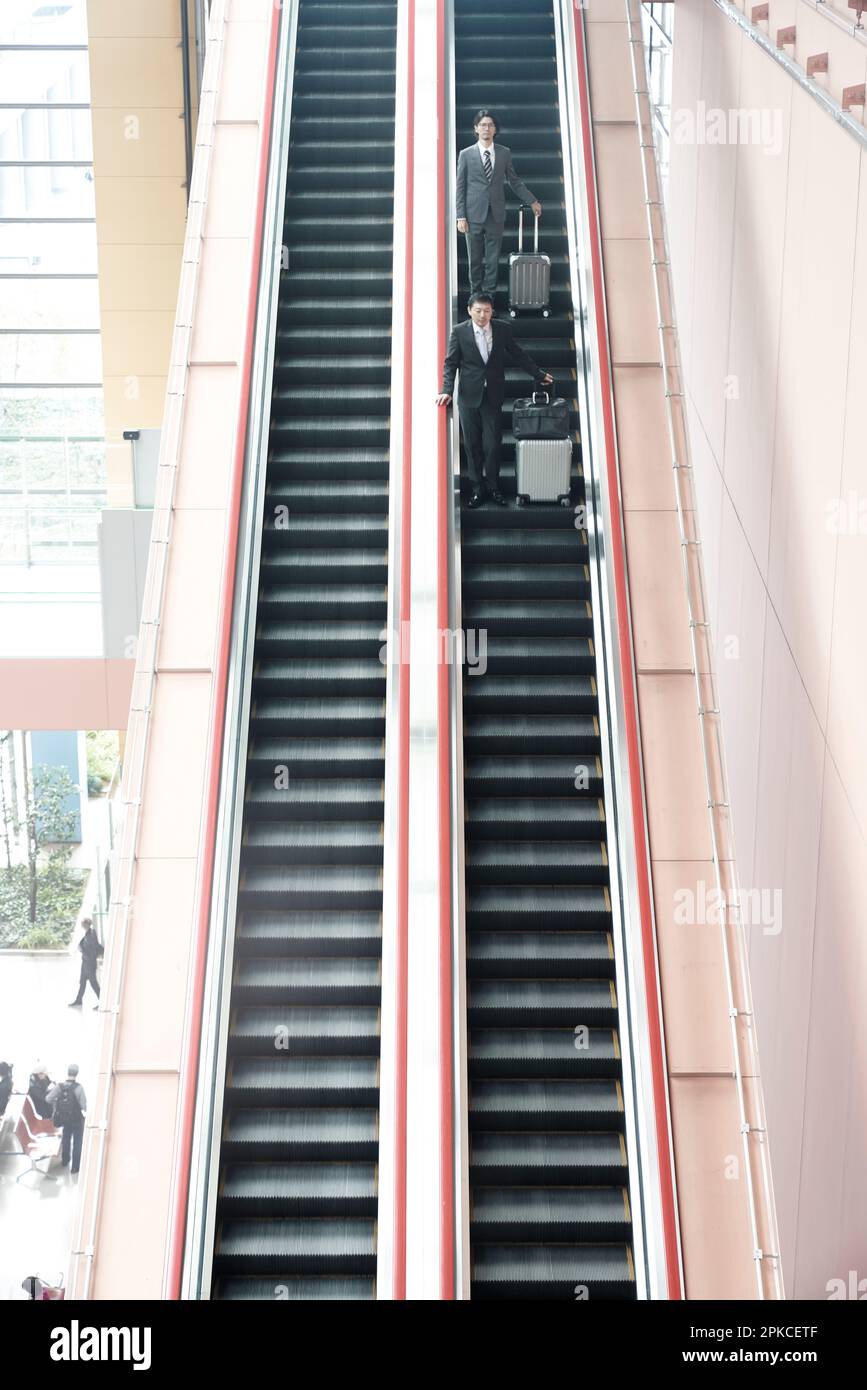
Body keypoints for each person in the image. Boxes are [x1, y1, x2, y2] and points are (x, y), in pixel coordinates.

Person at [437, 293, 552, 507]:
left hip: (493, 397)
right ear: (469, 310)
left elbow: (517, 354)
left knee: (492, 445)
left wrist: (538, 374)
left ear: (492, 311)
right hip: (468, 398)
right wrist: (446, 390)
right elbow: (450, 363)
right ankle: (477, 489)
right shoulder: (459, 332)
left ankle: (493, 487)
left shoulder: (502, 329)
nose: (483, 315)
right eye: (478, 311)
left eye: (487, 311)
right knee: (472, 446)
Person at [456, 109, 542, 299]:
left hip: (495, 213)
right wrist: (460, 216)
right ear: (476, 129)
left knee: (492, 260)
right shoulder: (466, 155)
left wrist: (532, 200)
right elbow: (460, 187)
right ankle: (475, 298)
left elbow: (514, 181)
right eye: (483, 125)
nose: (486, 128)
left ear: (495, 129)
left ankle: (490, 299)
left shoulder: (504, 153)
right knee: (475, 260)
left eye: (490, 125)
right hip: (472, 215)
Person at [46, 1064, 86, 1174]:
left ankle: (65, 1160)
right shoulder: (79, 1088)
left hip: (64, 1118)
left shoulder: (59, 1086)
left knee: (66, 1138)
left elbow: (48, 1099)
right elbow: (84, 1106)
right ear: (76, 1073)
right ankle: (75, 1167)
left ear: (68, 1072)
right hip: (77, 1119)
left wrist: (58, 1104)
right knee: (77, 1142)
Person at [68, 917, 103, 1008]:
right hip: (86, 962)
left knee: (93, 983)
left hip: (89, 963)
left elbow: (91, 949)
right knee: (82, 982)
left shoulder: (91, 935)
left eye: (83, 924)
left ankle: (102, 1002)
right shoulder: (89, 933)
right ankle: (79, 1000)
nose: (81, 925)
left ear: (86, 924)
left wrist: (82, 949)